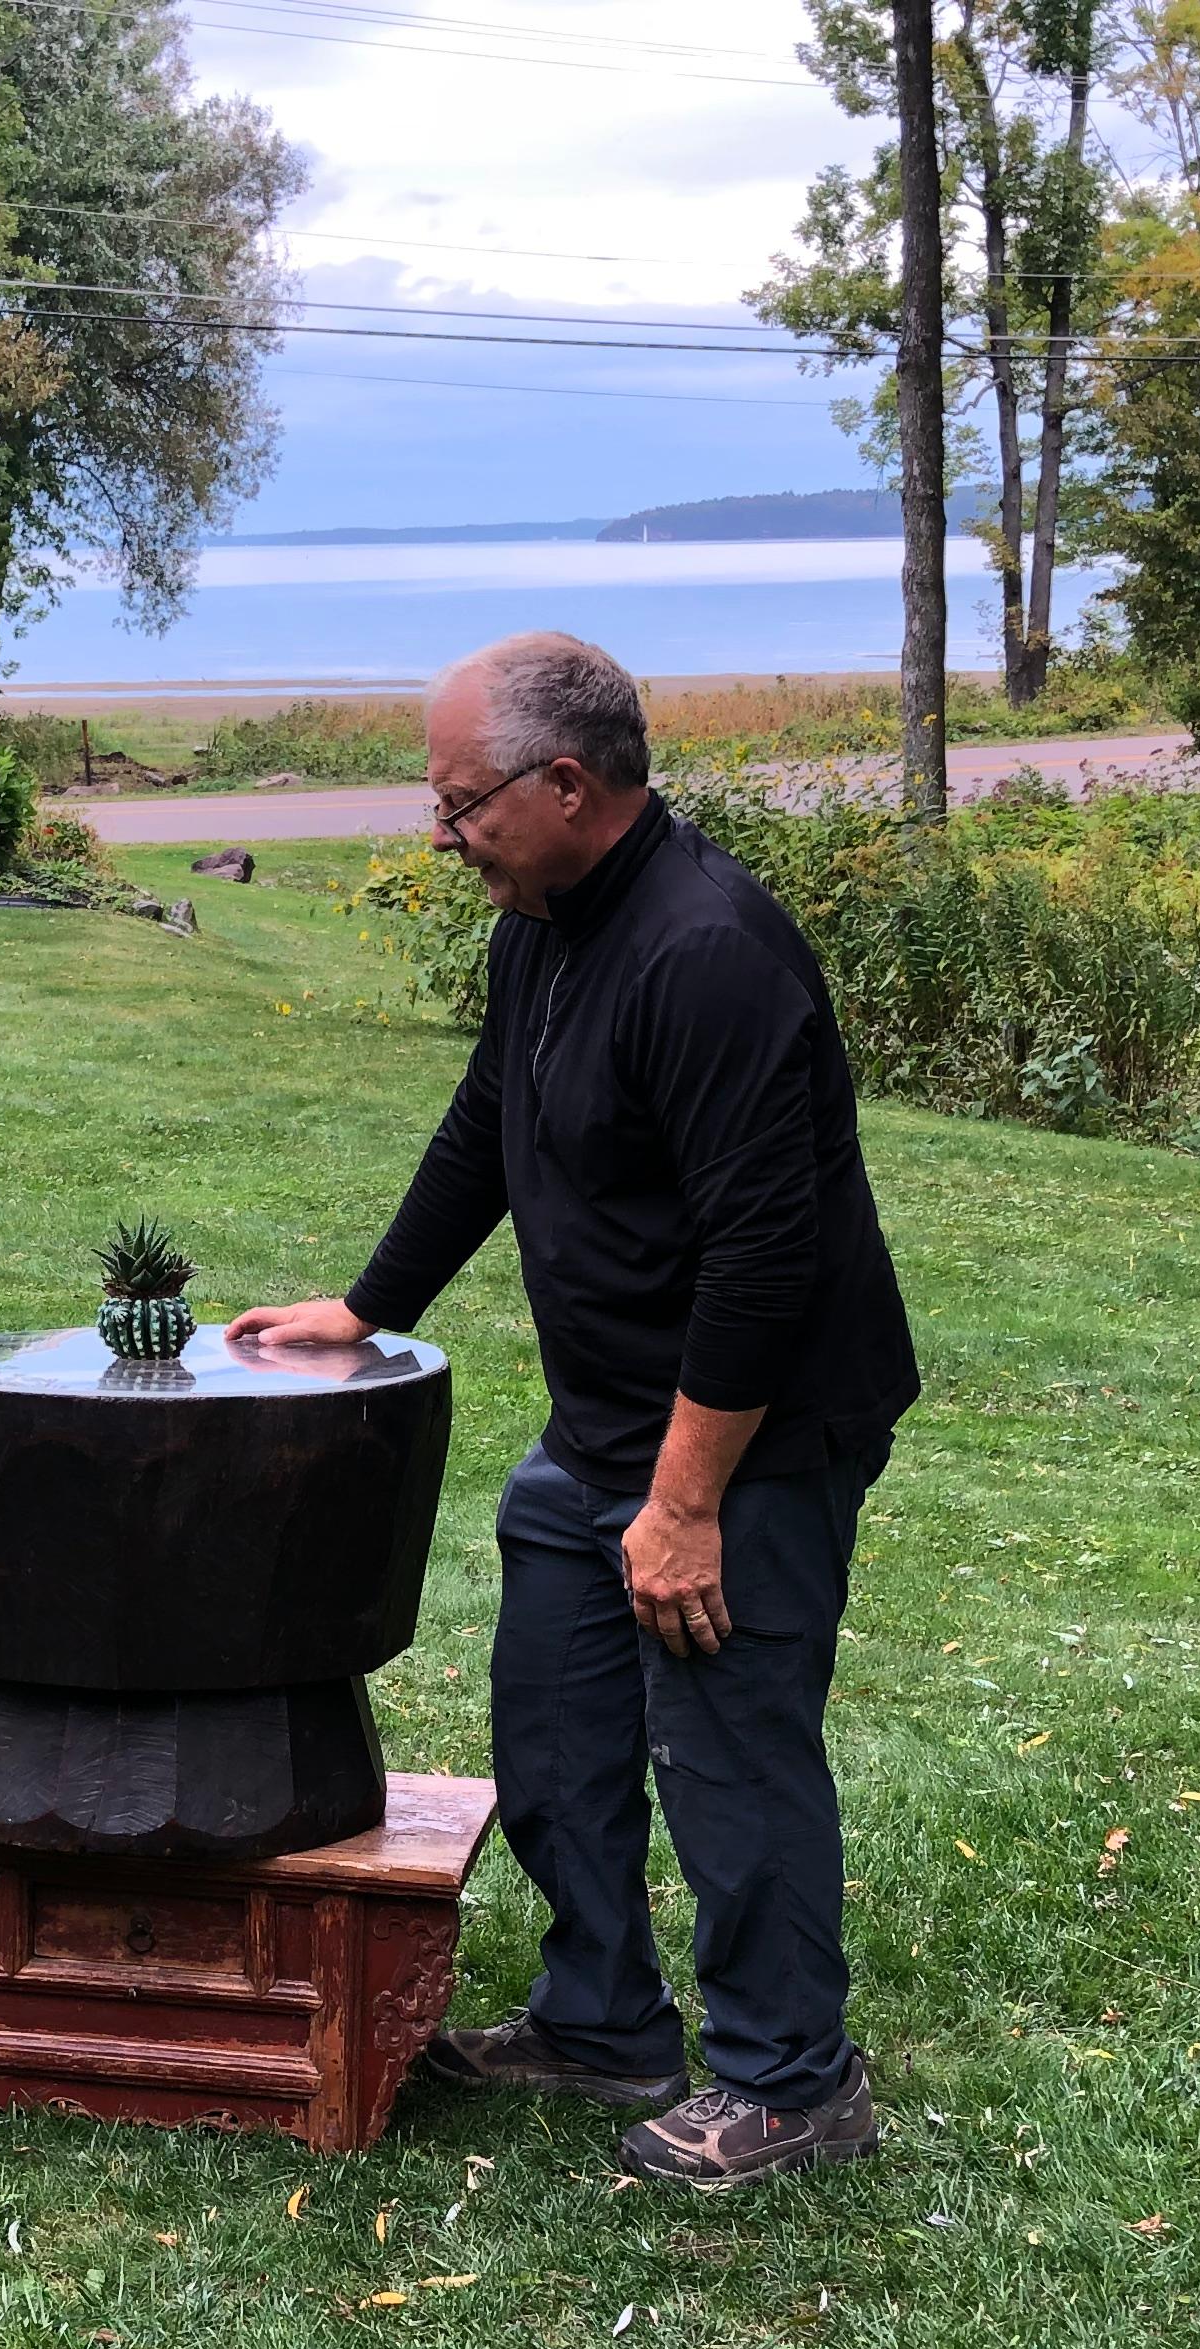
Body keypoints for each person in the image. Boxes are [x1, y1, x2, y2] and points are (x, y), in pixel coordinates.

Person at [228, 633, 918, 2188]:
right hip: (606, 1425)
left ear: (568, 784)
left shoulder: (708, 953)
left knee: (731, 1751)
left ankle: (794, 2080)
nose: (443, 831)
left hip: (754, 1438)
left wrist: (684, 1508)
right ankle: (601, 2018)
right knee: (554, 1726)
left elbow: (764, 1260)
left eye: (462, 801)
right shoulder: (539, 923)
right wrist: (369, 1305)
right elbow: (493, 1120)